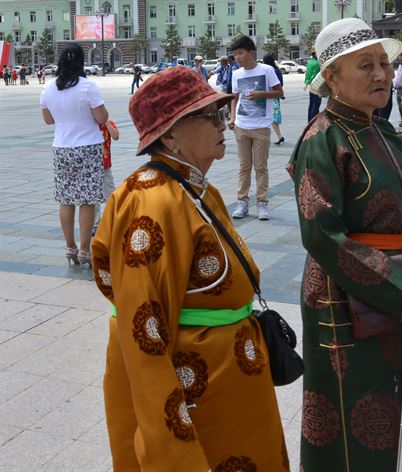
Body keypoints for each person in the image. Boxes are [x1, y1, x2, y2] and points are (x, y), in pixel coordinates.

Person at [91, 66, 287, 471]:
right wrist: (170, 446)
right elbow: (142, 329)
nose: (223, 123)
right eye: (209, 115)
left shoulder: (193, 186)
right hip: (197, 393)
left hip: (226, 385)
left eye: (221, 112)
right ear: (170, 134)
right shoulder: (153, 201)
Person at [289, 17, 402, 472]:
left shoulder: (383, 131)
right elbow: (320, 232)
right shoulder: (322, 138)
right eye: (365, 65)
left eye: (383, 62)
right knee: (358, 411)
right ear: (333, 78)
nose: (381, 74)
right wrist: (398, 288)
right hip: (347, 297)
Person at [39, 43, 108, 267]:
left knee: (66, 199)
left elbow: (48, 120)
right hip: (87, 147)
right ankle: (85, 250)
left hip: (61, 147)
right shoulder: (88, 86)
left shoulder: (48, 88)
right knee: (87, 200)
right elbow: (102, 117)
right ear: (81, 61)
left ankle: (70, 246)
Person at [228, 36, 283, 221]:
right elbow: (234, 97)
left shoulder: (266, 70)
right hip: (241, 126)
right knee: (244, 167)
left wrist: (261, 94)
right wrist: (232, 117)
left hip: (261, 127)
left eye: (240, 53)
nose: (237, 57)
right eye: (235, 54)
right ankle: (242, 203)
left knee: (261, 167)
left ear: (251, 52)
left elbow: (279, 92)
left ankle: (262, 204)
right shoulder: (236, 74)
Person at [93, 119, 119, 235]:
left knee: (111, 194)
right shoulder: (88, 124)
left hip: (105, 166)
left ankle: (113, 220)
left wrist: (106, 122)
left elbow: (116, 136)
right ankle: (95, 224)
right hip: (91, 167)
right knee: (93, 197)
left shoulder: (108, 123)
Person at [263, 54, 285, 145]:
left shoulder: (269, 71)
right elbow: (281, 84)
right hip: (276, 95)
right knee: (272, 116)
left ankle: (279, 136)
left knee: (271, 117)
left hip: (270, 96)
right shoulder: (278, 70)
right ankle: (278, 136)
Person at [304, 49, 322, 121]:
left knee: (311, 103)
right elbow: (315, 75)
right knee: (316, 104)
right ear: (315, 54)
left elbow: (307, 73)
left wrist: (307, 82)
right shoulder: (317, 63)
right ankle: (314, 120)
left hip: (310, 85)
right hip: (316, 85)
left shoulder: (310, 62)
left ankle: (310, 120)